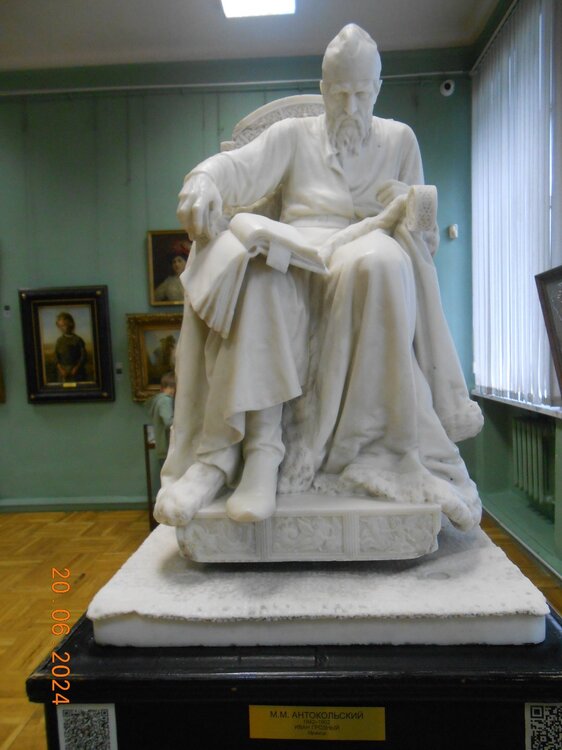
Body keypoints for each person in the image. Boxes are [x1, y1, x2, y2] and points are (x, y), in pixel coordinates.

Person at [154, 24, 483, 532]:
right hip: (297, 248)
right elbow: (236, 168)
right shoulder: (293, 136)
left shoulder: (399, 140)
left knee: (382, 263)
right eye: (340, 93)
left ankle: (378, 451)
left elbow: (425, 239)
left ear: (377, 89)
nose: (350, 107)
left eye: (362, 94)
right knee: (260, 272)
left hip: (365, 247)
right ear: (324, 90)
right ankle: (253, 453)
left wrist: (415, 208)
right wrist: (202, 182)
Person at [147, 372, 176, 467]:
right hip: (167, 448)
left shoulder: (159, 400)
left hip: (162, 448)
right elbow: (169, 422)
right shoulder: (165, 401)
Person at [54, 312, 88, 382]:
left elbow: (83, 356)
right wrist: (61, 369)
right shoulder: (59, 341)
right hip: (62, 372)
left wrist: (76, 368)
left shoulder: (78, 339)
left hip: (77, 371)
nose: (63, 328)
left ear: (71, 324)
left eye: (65, 325)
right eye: (60, 326)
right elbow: (56, 357)